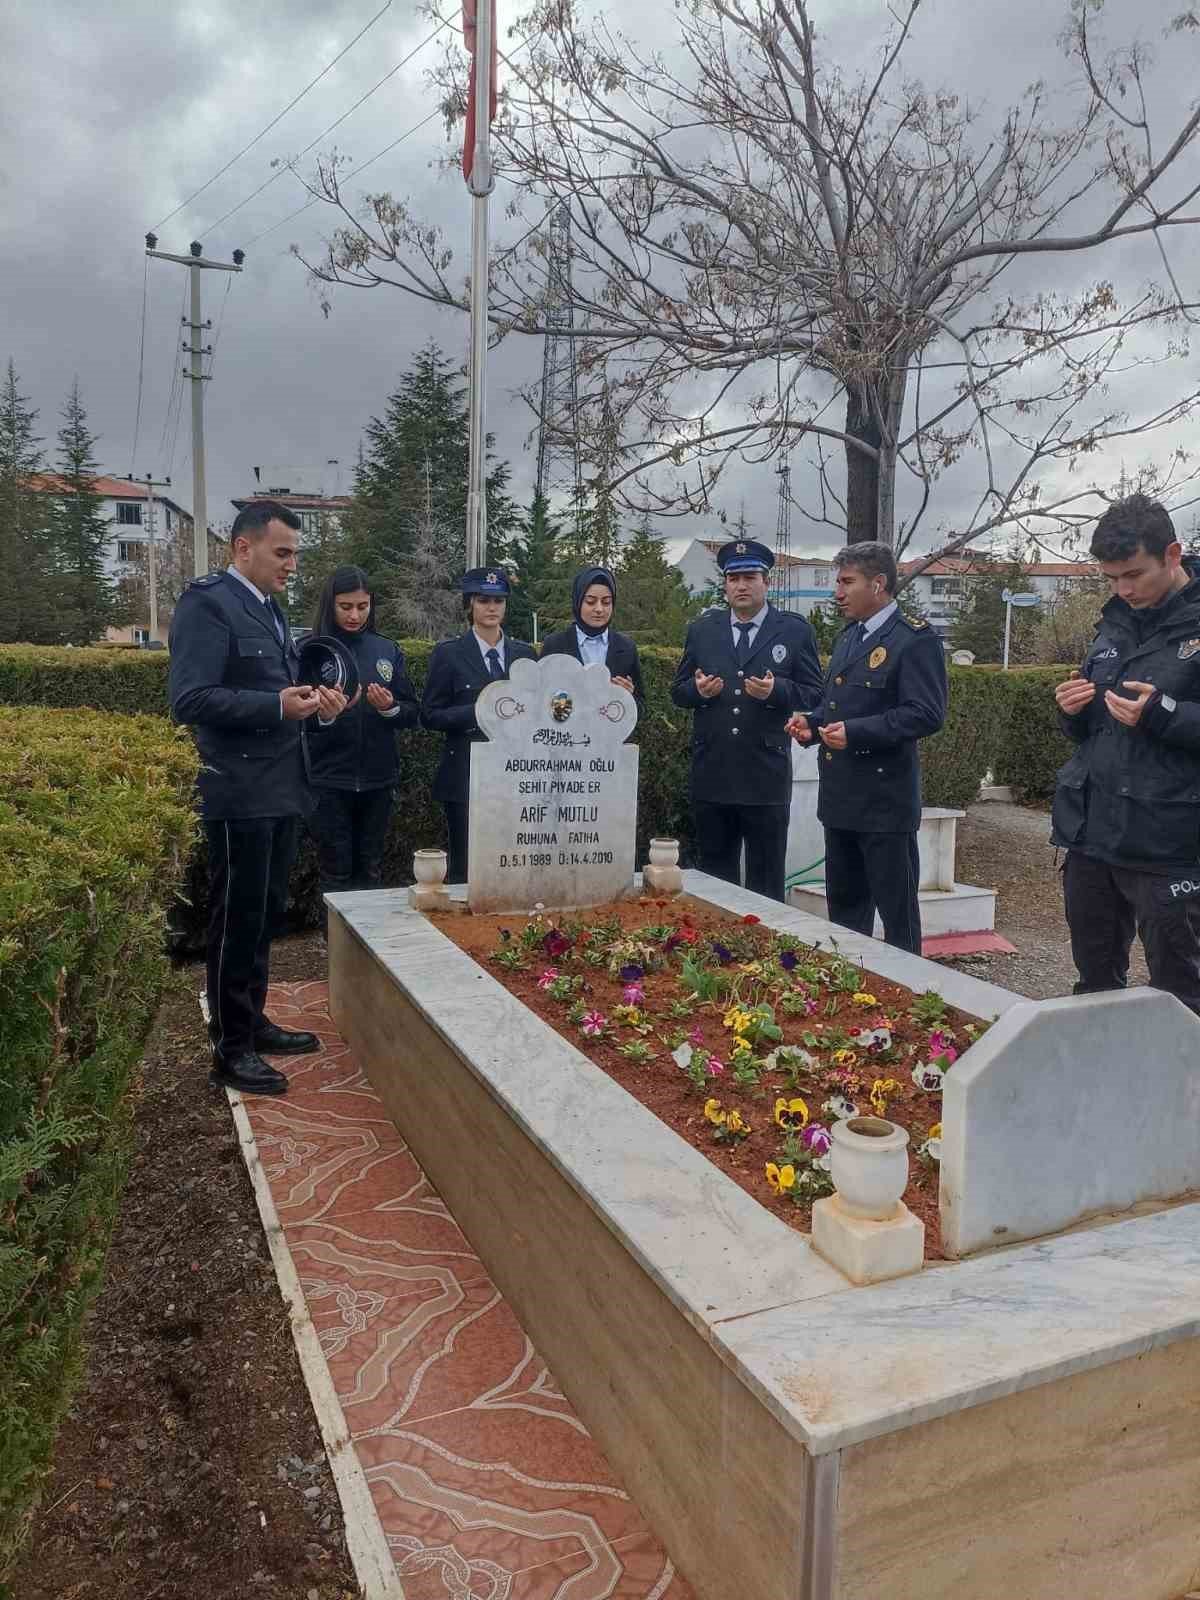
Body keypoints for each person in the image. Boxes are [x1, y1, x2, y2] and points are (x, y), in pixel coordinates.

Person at [168, 501, 352, 1096]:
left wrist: (314, 705)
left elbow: (277, 690)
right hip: (237, 790)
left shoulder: (270, 609)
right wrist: (277, 705)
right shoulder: (208, 603)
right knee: (237, 917)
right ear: (242, 548)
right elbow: (191, 700)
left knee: (266, 912)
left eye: (296, 553)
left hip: (281, 786)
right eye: (282, 552)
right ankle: (231, 1048)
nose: (293, 564)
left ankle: (252, 1020)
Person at [1052, 493, 1200, 1015]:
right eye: (1112, 578)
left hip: (1170, 845)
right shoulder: (1112, 622)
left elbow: (1159, 716)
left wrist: (1165, 713)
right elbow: (1094, 732)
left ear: (1173, 554)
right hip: (1094, 838)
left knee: (1181, 1000)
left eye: (1134, 575)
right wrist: (1073, 711)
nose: (1124, 589)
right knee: (1094, 992)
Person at [786, 541, 947, 954]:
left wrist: (856, 732)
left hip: (884, 804)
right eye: (837, 582)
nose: (836, 592)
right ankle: (852, 994)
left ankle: (908, 994)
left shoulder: (913, 639)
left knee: (897, 919)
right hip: (841, 800)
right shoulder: (849, 637)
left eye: (846, 582)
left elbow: (926, 713)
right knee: (846, 914)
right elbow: (839, 703)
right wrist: (812, 721)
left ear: (878, 585)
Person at [670, 538, 822, 901]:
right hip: (714, 773)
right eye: (733, 578)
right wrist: (699, 691)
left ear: (766, 581)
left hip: (764, 776)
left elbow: (815, 694)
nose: (741, 585)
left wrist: (777, 692)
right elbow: (678, 691)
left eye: (750, 576)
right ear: (725, 584)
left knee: (765, 882)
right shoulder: (703, 630)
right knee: (715, 880)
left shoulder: (794, 631)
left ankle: (765, 955)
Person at [305, 565, 420, 920]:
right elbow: (294, 720)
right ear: (330, 604)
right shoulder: (311, 650)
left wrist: (389, 709)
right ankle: (337, 956)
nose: (355, 615)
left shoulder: (386, 650)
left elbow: (413, 711)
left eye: (363, 606)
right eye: (345, 607)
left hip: (378, 779)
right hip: (328, 781)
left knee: (370, 870)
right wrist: (325, 714)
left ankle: (367, 953)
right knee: (335, 871)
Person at [420, 567, 537, 883]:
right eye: (484, 600)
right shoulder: (449, 655)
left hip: (515, 776)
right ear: (469, 604)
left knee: (512, 864)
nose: (492, 608)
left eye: (499, 600)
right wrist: (480, 711)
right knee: (465, 868)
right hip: (465, 776)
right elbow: (429, 714)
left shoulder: (525, 656)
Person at [538, 565, 645, 709]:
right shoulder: (555, 644)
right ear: (578, 601)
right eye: (590, 601)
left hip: (610, 731)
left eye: (606, 602)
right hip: (567, 731)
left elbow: (641, 705)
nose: (599, 609)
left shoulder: (626, 647)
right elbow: (539, 701)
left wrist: (628, 698)